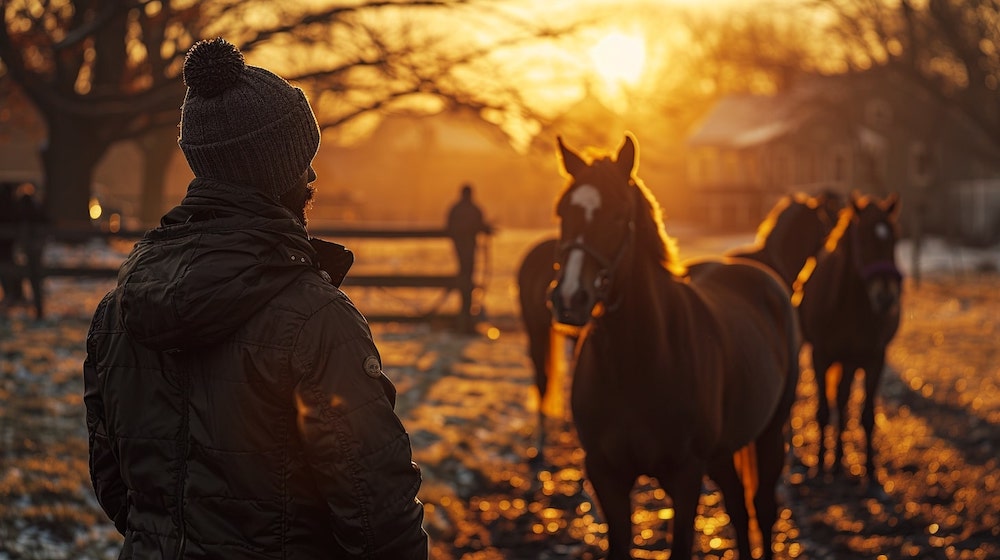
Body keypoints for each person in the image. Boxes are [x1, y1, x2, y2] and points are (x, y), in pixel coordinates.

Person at [83, 37, 428, 559]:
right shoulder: (315, 320)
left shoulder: (117, 312)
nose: (312, 175)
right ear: (274, 170)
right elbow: (376, 512)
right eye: (302, 161)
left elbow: (116, 488)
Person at [445, 183, 493, 333]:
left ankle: (465, 313)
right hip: (468, 250)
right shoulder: (474, 209)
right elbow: (478, 225)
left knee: (464, 277)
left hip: (461, 250)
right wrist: (485, 229)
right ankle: (466, 314)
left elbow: (450, 226)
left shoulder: (456, 209)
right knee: (467, 278)